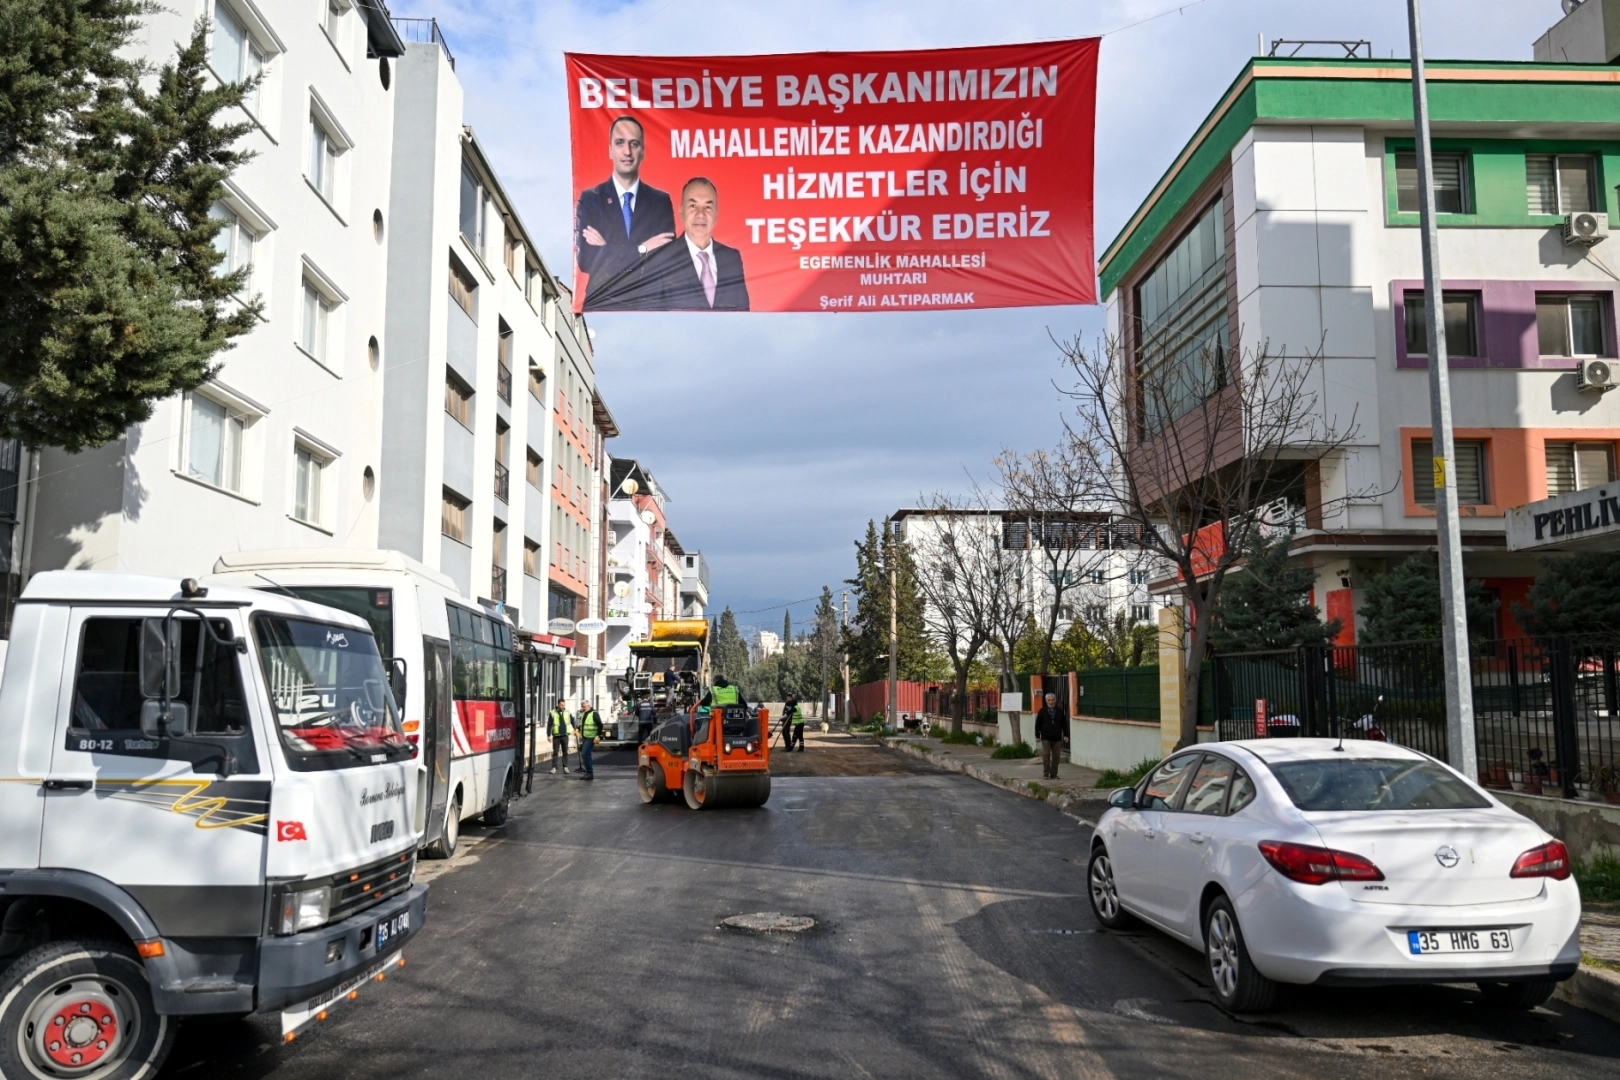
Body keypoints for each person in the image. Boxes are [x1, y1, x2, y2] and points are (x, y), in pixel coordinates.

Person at [574, 116, 675, 311]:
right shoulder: (590, 199)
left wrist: (607, 249)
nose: (627, 151)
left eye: (634, 144)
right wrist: (642, 249)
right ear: (610, 150)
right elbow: (587, 260)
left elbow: (665, 258)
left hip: (651, 305)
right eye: (620, 143)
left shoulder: (660, 201)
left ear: (643, 151)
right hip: (604, 303)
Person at [643, 177, 750, 311]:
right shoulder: (660, 259)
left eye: (708, 207)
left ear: (716, 213)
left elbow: (743, 315)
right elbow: (649, 318)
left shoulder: (731, 259)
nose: (701, 214)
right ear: (681, 211)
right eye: (693, 206)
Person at [1034, 691, 1068, 780]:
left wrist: (1066, 735)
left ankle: (1053, 774)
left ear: (1055, 700)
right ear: (1046, 701)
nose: (1051, 702)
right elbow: (1038, 724)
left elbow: (1064, 724)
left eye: (1052, 700)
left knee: (1056, 756)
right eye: (1049, 700)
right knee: (1046, 754)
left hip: (1057, 737)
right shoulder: (1042, 711)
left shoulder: (1060, 711)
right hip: (1046, 737)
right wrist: (1037, 735)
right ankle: (1046, 773)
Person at [574, 700, 603, 780]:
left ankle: (589, 772)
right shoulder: (583, 714)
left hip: (591, 737)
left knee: (585, 753)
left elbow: (600, 725)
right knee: (586, 754)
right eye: (582, 706)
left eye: (584, 706)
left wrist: (598, 735)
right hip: (585, 737)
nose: (583, 708)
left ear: (588, 705)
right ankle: (589, 773)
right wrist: (577, 729)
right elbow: (582, 725)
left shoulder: (594, 714)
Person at [548, 699, 573, 774]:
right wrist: (548, 735)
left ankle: (565, 767)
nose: (563, 706)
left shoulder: (567, 712)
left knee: (565, 751)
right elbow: (549, 724)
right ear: (558, 705)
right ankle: (554, 767)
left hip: (565, 735)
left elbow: (572, 720)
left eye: (564, 705)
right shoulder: (552, 712)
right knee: (555, 752)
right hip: (557, 735)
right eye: (561, 705)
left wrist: (576, 729)